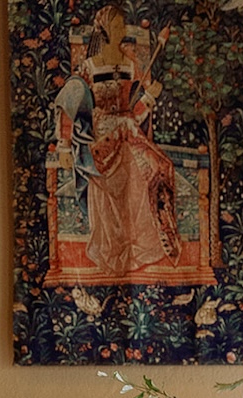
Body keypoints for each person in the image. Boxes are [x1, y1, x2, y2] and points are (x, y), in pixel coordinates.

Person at [55, 4, 180, 278]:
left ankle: (144, 243)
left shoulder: (130, 64)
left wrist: (150, 96)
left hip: (129, 130)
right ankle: (111, 249)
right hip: (101, 137)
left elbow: (137, 107)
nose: (122, 30)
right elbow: (70, 106)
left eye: (123, 25)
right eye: (117, 26)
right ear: (105, 30)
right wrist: (64, 145)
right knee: (109, 188)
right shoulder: (88, 67)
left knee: (158, 167)